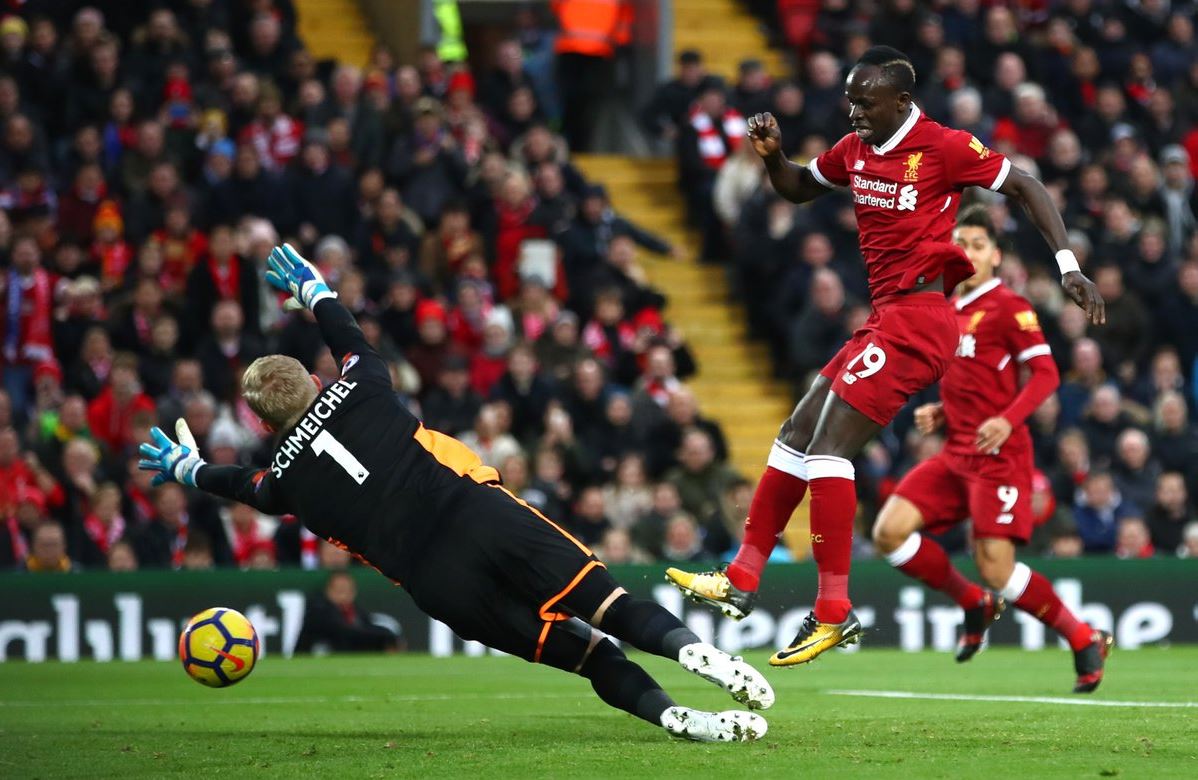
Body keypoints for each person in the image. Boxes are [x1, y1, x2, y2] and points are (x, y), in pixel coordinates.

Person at [139, 244, 773, 743]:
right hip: (479, 515)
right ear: (311, 376)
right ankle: (701, 655)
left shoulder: (283, 483)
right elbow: (349, 338)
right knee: (609, 604)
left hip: (438, 582)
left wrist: (187, 469)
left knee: (589, 657)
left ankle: (674, 719)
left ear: (261, 424)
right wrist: (315, 291)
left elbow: (238, 485)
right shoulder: (363, 385)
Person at [666, 46, 1104, 668]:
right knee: (794, 435)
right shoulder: (854, 150)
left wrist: (1069, 266)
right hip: (886, 318)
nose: (854, 113)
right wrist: (773, 159)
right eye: (849, 101)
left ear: (900, 100)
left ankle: (832, 614)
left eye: (865, 102)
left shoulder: (943, 145)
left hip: (921, 320)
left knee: (827, 452)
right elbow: (796, 189)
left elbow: (1027, 185)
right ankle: (741, 578)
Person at [869, 206, 1111, 693]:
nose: (970, 252)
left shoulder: (1011, 307)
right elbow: (973, 379)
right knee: (888, 533)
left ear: (995, 255)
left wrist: (1006, 419)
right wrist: (941, 411)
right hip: (956, 451)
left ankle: (1083, 636)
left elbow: (1046, 375)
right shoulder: (949, 308)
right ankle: (972, 603)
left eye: (979, 244)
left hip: (1000, 458)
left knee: (995, 569)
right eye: (962, 243)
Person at [296, 570, 403, 653]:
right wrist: (385, 636)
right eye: (339, 590)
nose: (344, 596)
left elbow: (367, 627)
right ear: (328, 591)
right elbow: (345, 633)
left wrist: (388, 638)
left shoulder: (355, 611)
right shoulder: (319, 610)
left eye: (348, 591)